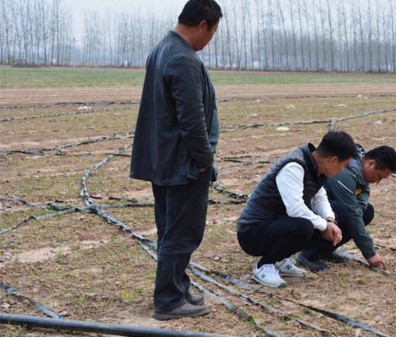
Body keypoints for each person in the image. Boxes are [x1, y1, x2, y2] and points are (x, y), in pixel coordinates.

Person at [129, 0, 222, 321]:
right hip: (184, 165)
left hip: (163, 161)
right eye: (213, 32)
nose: (210, 40)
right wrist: (204, 161)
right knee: (182, 232)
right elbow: (192, 119)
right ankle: (168, 300)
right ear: (202, 25)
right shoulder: (182, 58)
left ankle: (178, 286)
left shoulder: (161, 50)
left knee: (171, 229)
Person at [237, 131, 358, 288]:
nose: (343, 170)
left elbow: (320, 198)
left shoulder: (317, 169)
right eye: (344, 165)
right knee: (304, 226)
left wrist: (330, 220)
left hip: (277, 224)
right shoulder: (294, 166)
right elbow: (296, 209)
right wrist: (324, 226)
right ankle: (264, 266)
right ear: (333, 160)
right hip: (253, 232)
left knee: (338, 211)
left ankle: (281, 260)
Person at [296, 145, 396, 272]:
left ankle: (325, 250)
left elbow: (359, 210)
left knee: (367, 212)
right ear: (371, 163)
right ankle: (308, 253)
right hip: (308, 212)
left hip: (327, 214)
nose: (378, 182)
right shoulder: (346, 172)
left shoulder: (362, 180)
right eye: (379, 176)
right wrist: (370, 253)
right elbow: (352, 214)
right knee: (341, 211)